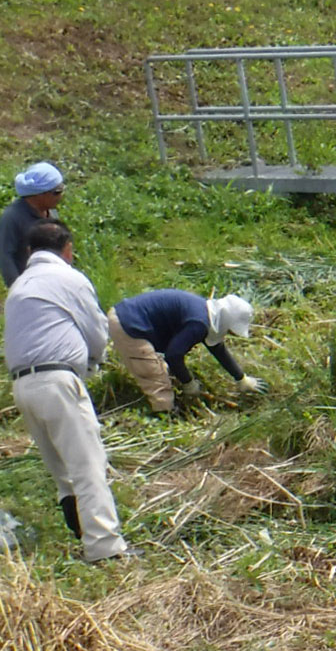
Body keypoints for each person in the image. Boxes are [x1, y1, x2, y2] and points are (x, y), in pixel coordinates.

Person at [4, 221, 130, 564]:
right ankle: (104, 548)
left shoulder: (18, 286)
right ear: (68, 249)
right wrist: (92, 364)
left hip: (22, 386)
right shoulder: (70, 279)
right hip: (57, 382)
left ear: (30, 252)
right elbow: (97, 332)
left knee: (62, 470)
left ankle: (79, 530)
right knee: (88, 466)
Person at [107, 288, 261, 414]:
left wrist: (240, 378)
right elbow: (173, 355)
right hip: (129, 323)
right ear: (226, 320)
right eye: (230, 330)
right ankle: (164, 415)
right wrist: (188, 382)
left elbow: (217, 348)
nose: (229, 333)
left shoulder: (205, 314)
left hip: (129, 316)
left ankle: (168, 407)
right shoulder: (198, 323)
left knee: (163, 370)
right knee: (154, 376)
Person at [4, 162, 64, 288]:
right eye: (57, 192)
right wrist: (18, 288)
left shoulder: (51, 213)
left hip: (53, 283)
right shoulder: (12, 217)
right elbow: (5, 255)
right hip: (29, 287)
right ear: (40, 194)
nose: (61, 196)